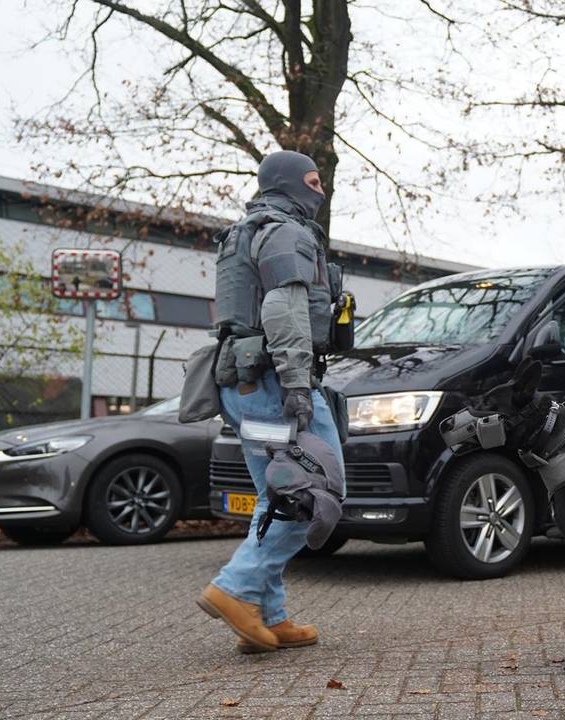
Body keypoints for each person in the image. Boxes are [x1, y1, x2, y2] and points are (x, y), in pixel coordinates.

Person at [196, 150, 346, 651]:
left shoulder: (245, 230)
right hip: (275, 386)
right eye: (314, 180)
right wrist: (298, 383)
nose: (320, 189)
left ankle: (267, 614)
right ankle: (234, 590)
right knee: (317, 491)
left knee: (278, 495)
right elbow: (283, 310)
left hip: (244, 383)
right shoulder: (287, 231)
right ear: (289, 183)